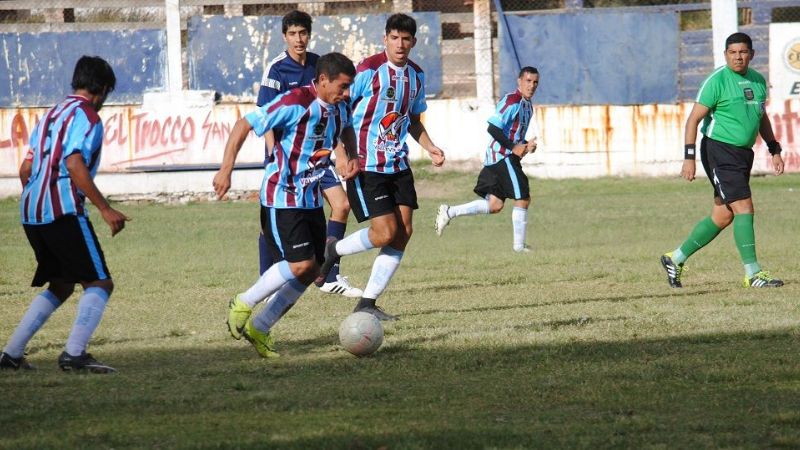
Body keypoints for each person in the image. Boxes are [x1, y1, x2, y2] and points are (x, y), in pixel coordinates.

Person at [213, 52, 359, 358]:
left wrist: (350, 154)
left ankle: (261, 327)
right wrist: (226, 169)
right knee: (301, 265)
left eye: (349, 87)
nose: (346, 94)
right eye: (342, 87)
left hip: (310, 197)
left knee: (313, 270)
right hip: (281, 196)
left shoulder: (340, 106)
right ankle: (243, 302)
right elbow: (244, 124)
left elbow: (347, 127)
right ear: (322, 81)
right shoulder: (294, 103)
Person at [0, 56, 128, 373]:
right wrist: (105, 208)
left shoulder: (50, 115)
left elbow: (26, 167)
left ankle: (11, 354)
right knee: (99, 282)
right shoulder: (87, 118)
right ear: (102, 89)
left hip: (31, 211)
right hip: (63, 212)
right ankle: (74, 354)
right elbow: (73, 163)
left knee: (61, 284)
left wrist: (37, 196)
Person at [317, 13, 446, 321]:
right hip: (367, 164)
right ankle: (333, 251)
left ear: (413, 42)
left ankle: (367, 303)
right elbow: (339, 108)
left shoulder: (416, 75)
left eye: (406, 39)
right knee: (385, 232)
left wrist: (430, 147)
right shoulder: (368, 70)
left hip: (398, 163)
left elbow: (413, 120)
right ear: (385, 38)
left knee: (403, 233)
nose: (400, 44)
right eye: (394, 38)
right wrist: (343, 153)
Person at [660, 32, 785, 289]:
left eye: (742, 52)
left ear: (752, 54)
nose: (738, 57)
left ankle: (675, 258)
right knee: (744, 207)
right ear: (725, 54)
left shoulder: (758, 81)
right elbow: (693, 120)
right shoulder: (717, 81)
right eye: (732, 52)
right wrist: (689, 158)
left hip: (743, 154)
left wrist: (774, 148)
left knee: (723, 216)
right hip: (719, 150)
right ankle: (753, 273)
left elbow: (760, 118)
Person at [256, 10, 362, 298]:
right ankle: (265, 280)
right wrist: (270, 153)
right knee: (270, 225)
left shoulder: (320, 66)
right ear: (284, 36)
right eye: (292, 33)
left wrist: (343, 153)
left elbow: (333, 115)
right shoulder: (276, 70)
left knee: (341, 205)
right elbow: (263, 115)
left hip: (318, 156)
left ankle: (329, 275)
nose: (298, 39)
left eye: (303, 32)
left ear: (309, 34)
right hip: (286, 159)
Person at [434, 67, 540, 252]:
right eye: (528, 81)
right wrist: (515, 147)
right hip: (502, 157)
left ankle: (449, 212)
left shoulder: (527, 107)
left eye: (535, 82)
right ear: (519, 81)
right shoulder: (512, 101)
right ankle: (519, 248)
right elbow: (493, 128)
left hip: (503, 158)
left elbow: (512, 135)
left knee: (495, 205)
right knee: (523, 197)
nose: (531, 85)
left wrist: (525, 145)